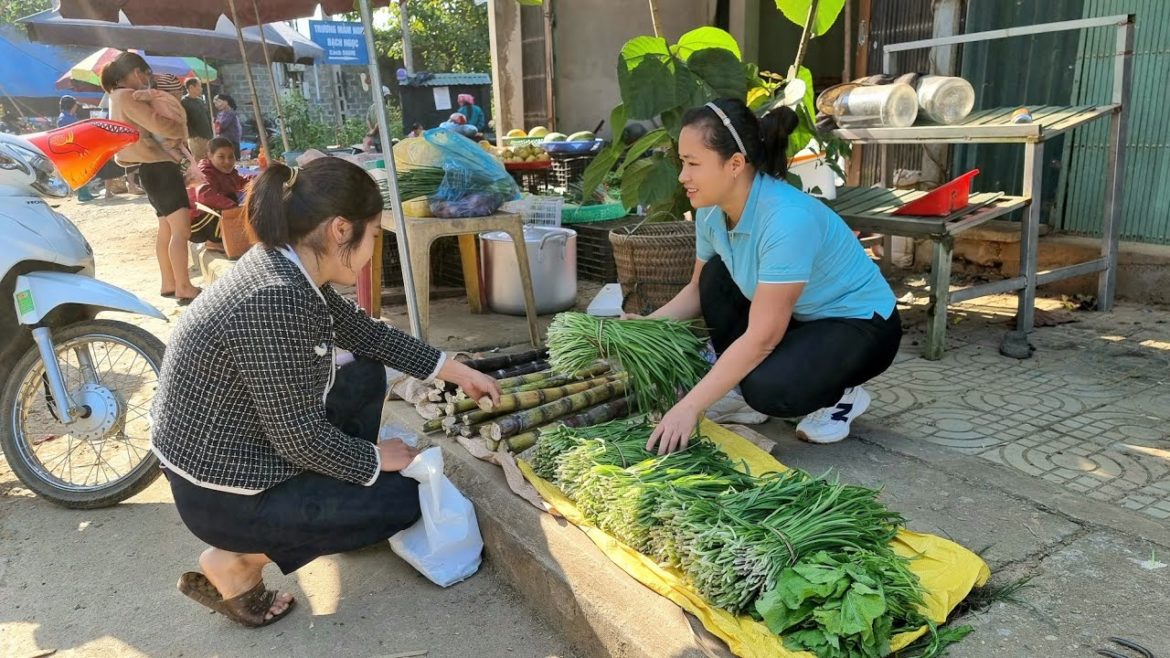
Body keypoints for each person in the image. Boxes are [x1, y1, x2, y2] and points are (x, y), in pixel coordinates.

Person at [151, 157, 501, 627]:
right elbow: (298, 439)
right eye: (374, 234)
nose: (373, 247)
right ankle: (236, 561)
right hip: (223, 493)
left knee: (364, 371)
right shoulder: (276, 298)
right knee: (401, 501)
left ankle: (330, 511)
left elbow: (365, 333)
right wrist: (375, 458)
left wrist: (454, 370)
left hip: (235, 455)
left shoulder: (285, 267)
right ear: (341, 229)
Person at [640, 98, 901, 454]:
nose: (683, 176)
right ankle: (742, 391)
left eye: (693, 164)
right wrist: (638, 328)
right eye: (682, 163)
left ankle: (842, 395)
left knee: (770, 390)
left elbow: (763, 337)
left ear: (734, 164)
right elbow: (696, 290)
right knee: (714, 278)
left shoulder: (785, 219)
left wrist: (689, 407)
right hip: (801, 316)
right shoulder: (710, 211)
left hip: (861, 325)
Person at [102, 51, 201, 303]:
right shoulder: (128, 96)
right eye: (147, 75)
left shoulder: (114, 97)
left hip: (148, 169)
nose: (149, 81)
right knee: (182, 230)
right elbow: (158, 124)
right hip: (160, 167)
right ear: (138, 73)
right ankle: (184, 286)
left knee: (166, 228)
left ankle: (169, 282)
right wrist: (179, 128)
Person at [189, 136, 246, 251]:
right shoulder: (203, 172)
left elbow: (243, 182)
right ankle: (214, 241)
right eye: (221, 157)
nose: (227, 161)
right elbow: (205, 196)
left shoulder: (229, 173)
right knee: (231, 202)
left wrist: (263, 179)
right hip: (196, 225)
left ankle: (223, 239)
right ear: (210, 156)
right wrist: (234, 208)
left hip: (208, 220)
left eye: (231, 157)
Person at [182, 78, 214, 161]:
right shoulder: (183, 102)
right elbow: (184, 121)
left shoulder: (200, 101)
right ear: (191, 87)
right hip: (195, 137)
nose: (201, 88)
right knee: (200, 160)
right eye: (199, 86)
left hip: (207, 135)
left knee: (210, 158)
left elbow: (206, 116)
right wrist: (194, 135)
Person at [362, 86, 394, 152]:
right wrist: (373, 131)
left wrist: (371, 130)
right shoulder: (384, 108)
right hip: (383, 139)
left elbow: (368, 119)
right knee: (385, 155)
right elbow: (380, 121)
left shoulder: (371, 107)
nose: (387, 99)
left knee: (378, 155)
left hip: (375, 138)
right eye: (386, 96)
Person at [213, 93, 242, 159]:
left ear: (226, 102)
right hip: (224, 141)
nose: (216, 104)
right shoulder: (221, 114)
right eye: (215, 103)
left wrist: (215, 123)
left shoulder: (230, 113)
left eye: (218, 101)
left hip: (231, 142)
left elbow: (221, 126)